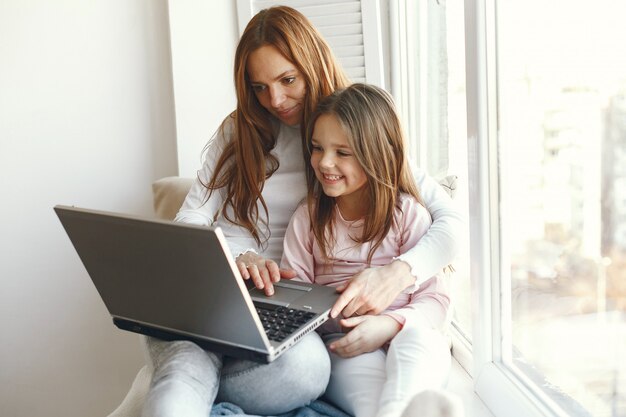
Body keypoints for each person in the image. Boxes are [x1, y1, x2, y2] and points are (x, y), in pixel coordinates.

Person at [142, 5, 463, 417]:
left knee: (308, 369)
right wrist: (235, 257)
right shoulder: (238, 133)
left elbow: (449, 223)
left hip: (281, 314)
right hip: (217, 296)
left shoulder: (359, 129)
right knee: (186, 367)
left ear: (313, 63)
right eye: (259, 87)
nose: (274, 99)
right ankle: (186, 381)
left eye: (287, 79)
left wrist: (396, 274)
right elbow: (189, 223)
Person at [281, 83, 460, 417]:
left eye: (342, 152)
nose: (325, 162)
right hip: (348, 346)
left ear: (379, 154)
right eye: (317, 148)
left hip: (408, 332)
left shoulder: (408, 214)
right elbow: (295, 301)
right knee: (371, 402)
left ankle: (408, 408)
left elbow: (436, 302)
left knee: (418, 345)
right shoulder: (307, 218)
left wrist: (390, 325)